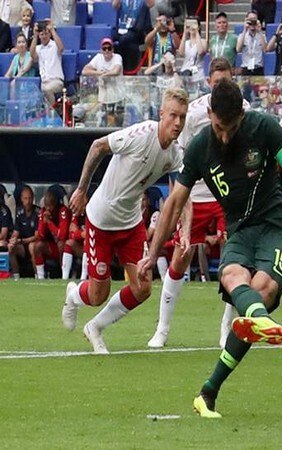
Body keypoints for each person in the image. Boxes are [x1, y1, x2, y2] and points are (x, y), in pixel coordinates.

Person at [138, 78, 282, 418]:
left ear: (241, 118)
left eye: (230, 128)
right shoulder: (201, 146)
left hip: (276, 228)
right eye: (219, 126)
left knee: (260, 291)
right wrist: (153, 252)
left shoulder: (264, 127)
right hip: (240, 232)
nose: (224, 135)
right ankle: (208, 393)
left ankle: (249, 329)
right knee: (232, 275)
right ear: (209, 114)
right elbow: (175, 202)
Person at [60, 87, 188, 354]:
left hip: (131, 224)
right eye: (173, 116)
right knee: (97, 295)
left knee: (142, 287)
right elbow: (98, 147)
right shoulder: (140, 135)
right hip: (101, 220)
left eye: (182, 117)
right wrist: (82, 190)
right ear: (161, 114)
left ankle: (95, 328)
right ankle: (73, 296)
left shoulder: (176, 154)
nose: (177, 123)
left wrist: (185, 228)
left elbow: (182, 194)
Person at [147, 58, 248, 350]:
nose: (220, 88)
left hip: (229, 197)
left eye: (225, 83)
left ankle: (225, 328)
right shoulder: (192, 116)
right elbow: (181, 167)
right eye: (216, 83)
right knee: (181, 255)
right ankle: (162, 329)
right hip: (199, 194)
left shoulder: (245, 112)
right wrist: (182, 212)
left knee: (237, 261)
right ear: (209, 83)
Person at [82, 38, 124, 126]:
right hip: (103, 97)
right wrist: (100, 73)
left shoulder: (117, 57)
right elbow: (85, 71)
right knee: (103, 122)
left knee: (116, 123)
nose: (107, 50)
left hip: (117, 96)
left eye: (109, 48)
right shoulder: (98, 57)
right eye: (104, 48)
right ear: (101, 50)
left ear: (113, 49)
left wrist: (104, 75)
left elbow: (116, 71)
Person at [33, 189, 71, 280]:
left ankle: (64, 275)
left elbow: (62, 235)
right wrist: (44, 221)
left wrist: (49, 223)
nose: (48, 208)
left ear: (55, 204)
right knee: (37, 246)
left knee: (62, 244)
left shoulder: (62, 211)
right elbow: (41, 235)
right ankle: (40, 276)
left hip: (65, 248)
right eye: (46, 206)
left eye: (50, 206)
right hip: (51, 247)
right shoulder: (43, 211)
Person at [30, 19, 65, 104]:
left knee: (46, 90)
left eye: (46, 33)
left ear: (49, 34)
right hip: (44, 82)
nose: (44, 36)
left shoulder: (54, 45)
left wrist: (52, 29)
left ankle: (52, 113)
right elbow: (32, 55)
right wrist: (35, 36)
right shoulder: (38, 48)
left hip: (56, 81)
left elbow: (61, 48)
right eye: (42, 34)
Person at [8, 186, 39, 279]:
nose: (28, 201)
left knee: (32, 246)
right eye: (25, 198)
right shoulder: (19, 213)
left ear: (33, 198)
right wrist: (12, 240)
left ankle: (38, 276)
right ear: (21, 199)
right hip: (22, 246)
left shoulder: (38, 212)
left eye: (30, 198)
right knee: (11, 247)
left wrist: (21, 240)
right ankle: (16, 277)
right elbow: (16, 232)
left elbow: (37, 236)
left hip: (34, 244)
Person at [113, 0, 153, 72]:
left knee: (124, 39)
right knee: (113, 39)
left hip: (138, 30)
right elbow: (115, 6)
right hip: (123, 28)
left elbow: (151, 4)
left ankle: (127, 69)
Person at [236, 10, 267, 75]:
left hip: (258, 68)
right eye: (250, 20)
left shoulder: (261, 35)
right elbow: (238, 49)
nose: (252, 22)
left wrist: (260, 30)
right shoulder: (242, 35)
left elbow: (265, 49)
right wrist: (245, 29)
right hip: (246, 68)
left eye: (254, 20)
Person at [61, 212, 87, 280]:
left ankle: (83, 277)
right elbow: (72, 235)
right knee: (69, 243)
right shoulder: (76, 215)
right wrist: (81, 234)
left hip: (96, 248)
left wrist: (77, 231)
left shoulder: (91, 214)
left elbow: (90, 235)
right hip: (81, 248)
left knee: (86, 242)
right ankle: (64, 278)